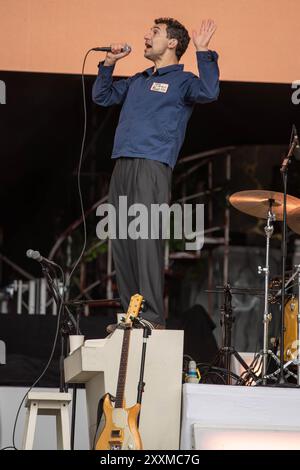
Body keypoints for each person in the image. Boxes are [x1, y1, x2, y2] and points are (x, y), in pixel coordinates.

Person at [92, 17, 220, 331]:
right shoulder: (137, 80)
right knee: (122, 239)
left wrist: (203, 52)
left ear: (173, 43)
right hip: (123, 164)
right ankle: (131, 314)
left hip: (152, 165)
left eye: (155, 32)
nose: (146, 36)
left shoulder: (183, 80)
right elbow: (102, 96)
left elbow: (209, 90)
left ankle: (150, 316)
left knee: (145, 238)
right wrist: (108, 63)